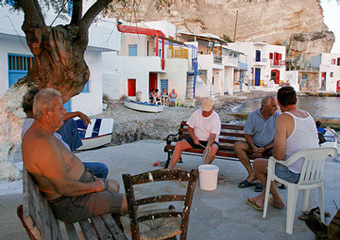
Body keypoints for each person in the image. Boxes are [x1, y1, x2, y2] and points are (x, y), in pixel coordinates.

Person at [22, 88, 128, 223]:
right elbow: (65, 188)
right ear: (47, 114)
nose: (65, 112)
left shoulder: (41, 130)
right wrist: (96, 186)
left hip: (77, 189)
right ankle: (110, 227)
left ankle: (112, 220)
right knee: (131, 201)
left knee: (115, 185)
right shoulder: (42, 145)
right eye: (61, 109)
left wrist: (92, 180)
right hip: (73, 203)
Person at [246, 86, 319, 211]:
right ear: (296, 100)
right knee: (278, 166)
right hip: (315, 171)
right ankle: (263, 198)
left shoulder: (283, 118)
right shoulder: (308, 116)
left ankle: (277, 200)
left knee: (258, 164)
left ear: (278, 103)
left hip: (295, 174)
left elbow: (278, 156)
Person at [22, 88, 109, 179]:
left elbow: (62, 118)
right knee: (102, 169)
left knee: (69, 122)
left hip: (64, 163)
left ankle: (72, 156)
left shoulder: (33, 123)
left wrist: (77, 113)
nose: (62, 112)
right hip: (65, 169)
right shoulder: (38, 131)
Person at [233, 96, 280, 191]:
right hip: (255, 145)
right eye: (274, 106)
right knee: (238, 146)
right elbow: (247, 134)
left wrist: (265, 148)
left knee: (279, 150)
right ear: (265, 107)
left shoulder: (278, 117)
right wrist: (254, 147)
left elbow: (279, 138)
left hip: (269, 147)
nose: (276, 108)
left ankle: (264, 178)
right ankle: (252, 174)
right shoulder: (253, 115)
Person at [168, 97, 221, 169]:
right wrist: (194, 138)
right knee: (178, 145)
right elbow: (190, 128)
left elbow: (213, 135)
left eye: (208, 110)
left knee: (212, 150)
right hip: (196, 139)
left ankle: (206, 170)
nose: (205, 112)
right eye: (204, 110)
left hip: (210, 141)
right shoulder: (196, 113)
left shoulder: (215, 117)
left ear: (213, 107)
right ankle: (169, 169)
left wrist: (208, 146)